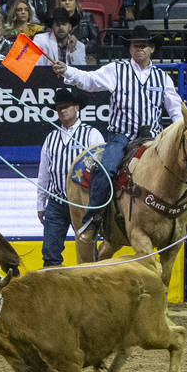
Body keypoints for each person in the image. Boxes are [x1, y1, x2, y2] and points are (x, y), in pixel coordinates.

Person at [52, 25, 185, 240]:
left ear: (152, 49)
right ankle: (93, 218)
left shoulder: (163, 79)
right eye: (135, 45)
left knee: (178, 166)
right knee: (107, 167)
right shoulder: (116, 70)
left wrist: (181, 129)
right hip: (121, 137)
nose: (139, 49)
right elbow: (90, 80)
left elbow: (175, 109)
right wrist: (67, 70)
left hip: (153, 139)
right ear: (130, 48)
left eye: (143, 45)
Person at [38, 89, 105, 267]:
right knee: (50, 251)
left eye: (66, 107)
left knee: (87, 251)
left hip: (82, 202)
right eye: (58, 108)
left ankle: (90, 288)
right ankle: (53, 291)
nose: (61, 111)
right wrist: (40, 204)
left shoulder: (92, 134)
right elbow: (44, 174)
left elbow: (100, 167)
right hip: (56, 201)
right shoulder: (50, 138)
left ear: (76, 108)